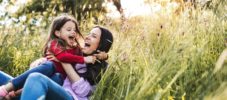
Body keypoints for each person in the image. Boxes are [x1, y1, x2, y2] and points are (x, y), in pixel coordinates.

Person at [0, 14, 97, 98]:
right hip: (46, 72)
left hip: (56, 80)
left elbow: (74, 64)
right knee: (49, 66)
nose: (73, 32)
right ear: (58, 33)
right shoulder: (55, 43)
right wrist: (83, 59)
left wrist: (100, 56)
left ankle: (15, 94)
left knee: (58, 77)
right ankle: (7, 88)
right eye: (69, 29)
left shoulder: (77, 49)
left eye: (75, 30)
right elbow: (63, 57)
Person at [20, 26, 114, 100]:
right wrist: (41, 61)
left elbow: (83, 91)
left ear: (101, 45)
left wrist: (63, 60)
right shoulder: (77, 55)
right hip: (56, 91)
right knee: (7, 81)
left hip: (72, 97)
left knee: (36, 77)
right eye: (88, 34)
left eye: (93, 36)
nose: (87, 37)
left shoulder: (103, 68)